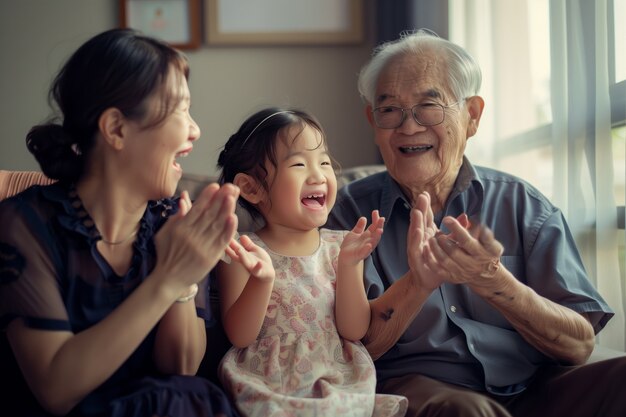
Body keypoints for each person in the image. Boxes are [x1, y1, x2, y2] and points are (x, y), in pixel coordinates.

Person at [326, 29, 626, 417]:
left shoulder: (525, 206)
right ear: (373, 120)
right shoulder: (344, 216)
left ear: (472, 116)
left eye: (429, 106)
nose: (408, 126)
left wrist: (494, 281)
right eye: (390, 110)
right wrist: (418, 282)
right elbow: (345, 350)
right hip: (417, 388)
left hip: (532, 385)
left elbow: (578, 345)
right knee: (466, 411)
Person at [0, 28, 240, 417]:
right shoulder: (24, 224)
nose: (195, 130)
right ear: (116, 128)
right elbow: (56, 390)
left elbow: (180, 370)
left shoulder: (172, 221)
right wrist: (167, 278)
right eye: (181, 110)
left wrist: (182, 279)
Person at [214, 107, 408, 416]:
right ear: (252, 188)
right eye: (300, 164)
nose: (318, 175)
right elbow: (240, 335)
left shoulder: (340, 246)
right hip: (270, 379)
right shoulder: (242, 250)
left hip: (336, 373)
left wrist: (348, 266)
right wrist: (262, 281)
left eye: (325, 162)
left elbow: (354, 329)